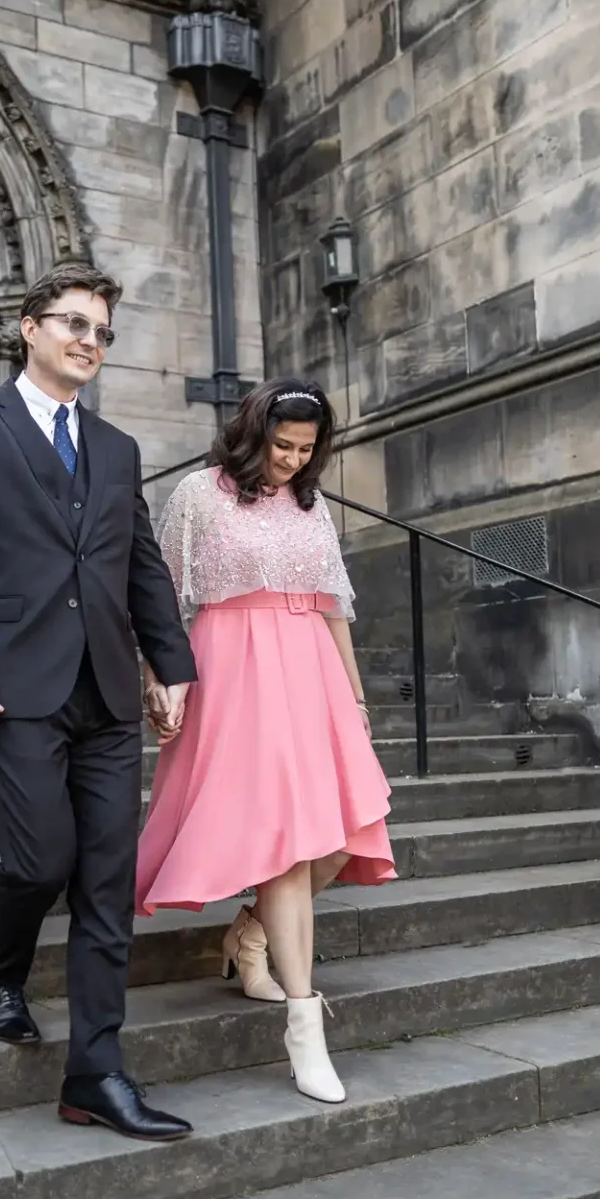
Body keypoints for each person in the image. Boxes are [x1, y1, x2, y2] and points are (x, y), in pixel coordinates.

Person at [0, 263, 200, 1142]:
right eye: (73, 323)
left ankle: (96, 1074)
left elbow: (139, 564)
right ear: (29, 327)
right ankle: (2, 972)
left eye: (103, 332)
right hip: (11, 684)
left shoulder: (116, 450)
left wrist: (170, 661)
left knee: (108, 883)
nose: (89, 341)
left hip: (107, 690)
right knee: (40, 862)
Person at [135, 379, 396, 1105]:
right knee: (286, 841)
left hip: (311, 668)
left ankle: (252, 933)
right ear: (253, 435)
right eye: (282, 445)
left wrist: (356, 695)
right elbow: (158, 592)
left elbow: (332, 607)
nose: (291, 460)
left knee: (346, 832)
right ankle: (304, 1024)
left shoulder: (310, 507)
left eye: (306, 450)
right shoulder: (198, 494)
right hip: (232, 664)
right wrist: (160, 678)